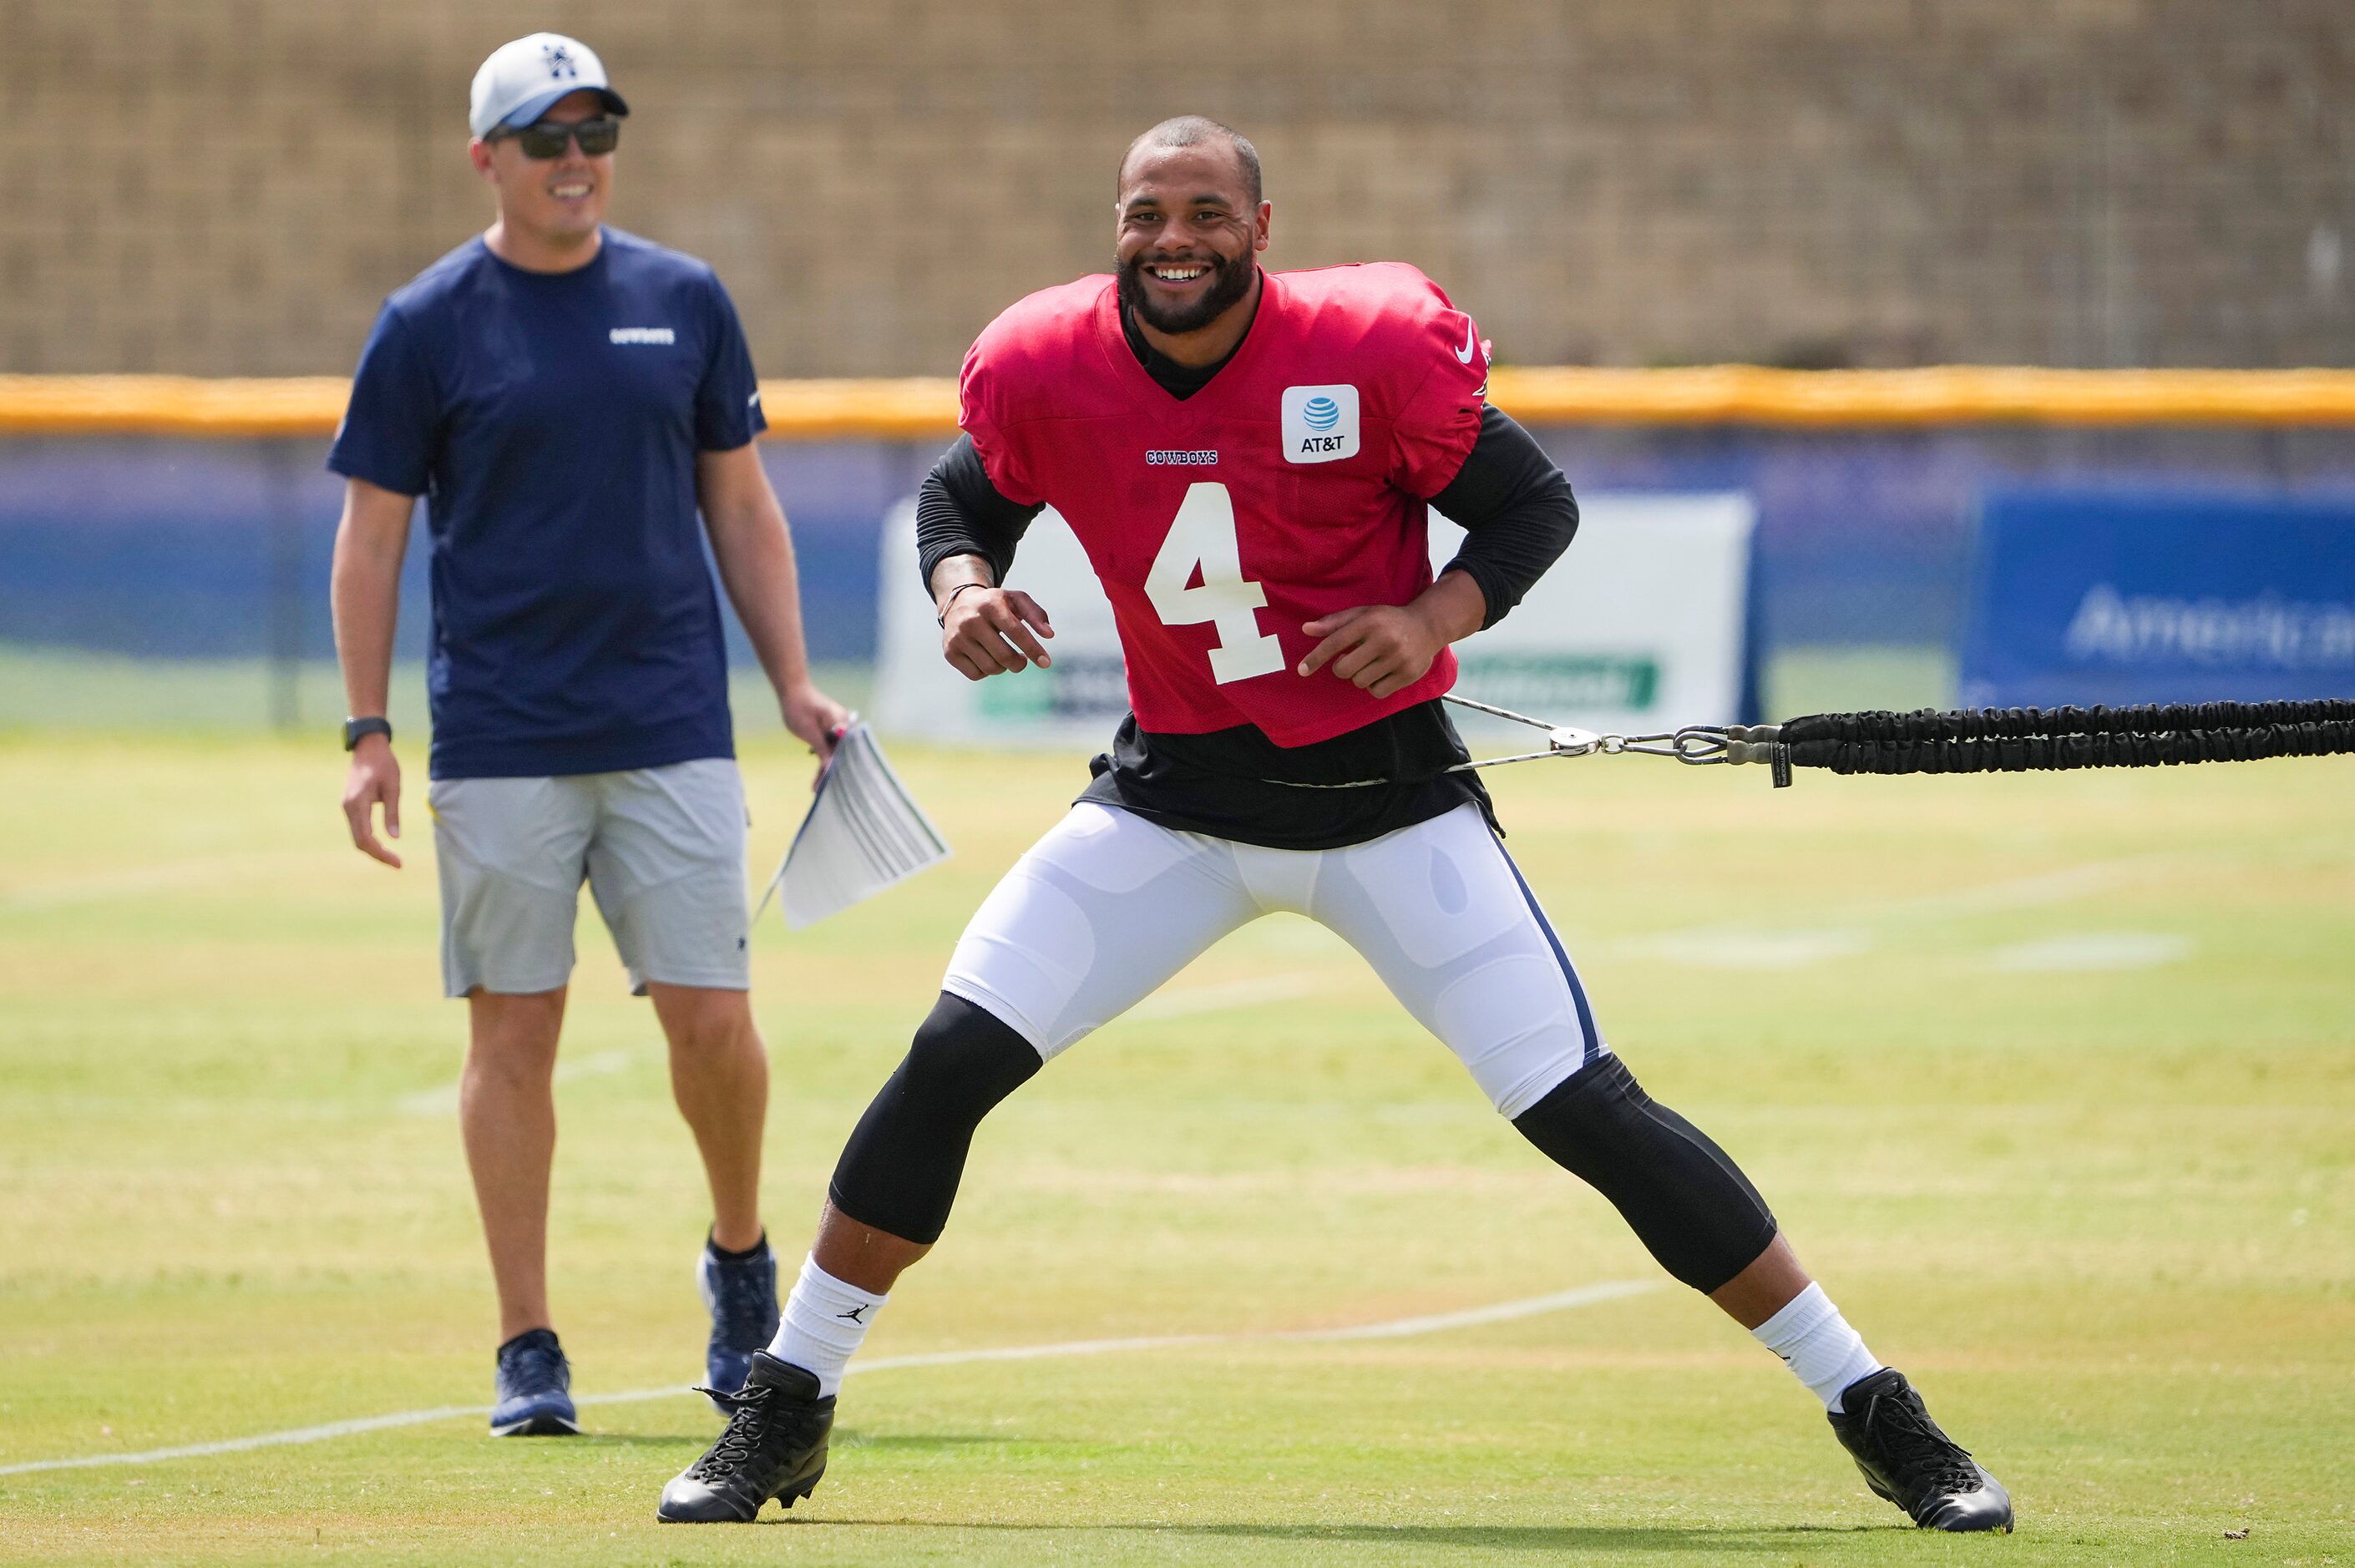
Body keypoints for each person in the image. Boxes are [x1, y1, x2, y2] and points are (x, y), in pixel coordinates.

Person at [656, 118, 2011, 1531]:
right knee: (946, 1063)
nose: (1173, 239)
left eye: (1203, 212)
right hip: (1171, 807)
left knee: (1588, 1111)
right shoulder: (1047, 359)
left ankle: (1877, 1409)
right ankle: (789, 1404)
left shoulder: (1368, 347)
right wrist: (958, 587)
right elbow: (962, 493)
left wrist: (1433, 612)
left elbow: (1528, 505)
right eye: (1143, 213)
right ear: (1112, 225)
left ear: (1259, 227)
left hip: (1387, 811)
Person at [328, 33, 848, 1438]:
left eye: (596, 132)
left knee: (715, 1023)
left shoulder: (684, 300)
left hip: (670, 720)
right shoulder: (428, 320)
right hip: (498, 735)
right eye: (545, 136)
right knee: (515, 1037)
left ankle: (741, 1265)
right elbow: (371, 539)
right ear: (485, 155)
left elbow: (742, 504)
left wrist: (792, 681)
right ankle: (527, 1344)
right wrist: (369, 728)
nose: (576, 160)